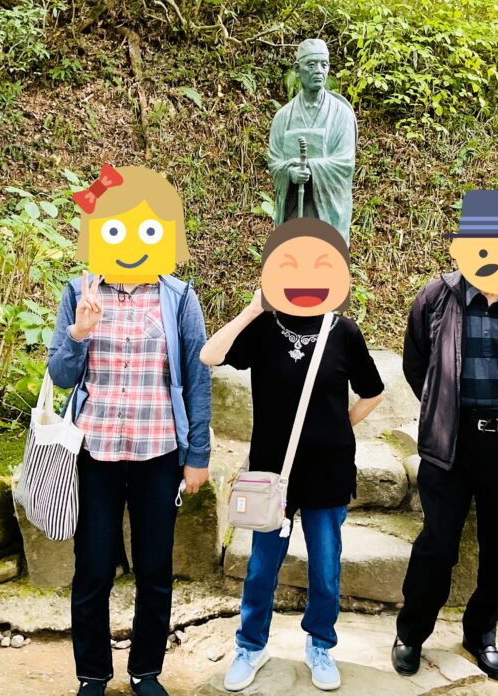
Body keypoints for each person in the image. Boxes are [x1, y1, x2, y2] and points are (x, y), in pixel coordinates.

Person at [199, 218, 385, 692]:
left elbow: (373, 392)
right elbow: (209, 356)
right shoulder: (263, 329)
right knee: (262, 566)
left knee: (325, 567)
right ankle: (250, 646)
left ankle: (320, 645)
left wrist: (341, 425)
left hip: (328, 469)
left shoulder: (344, 332)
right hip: (271, 472)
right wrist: (251, 310)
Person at [48, 165, 212, 696]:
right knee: (92, 568)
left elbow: (197, 376)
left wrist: (198, 454)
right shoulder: (78, 290)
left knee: (155, 569)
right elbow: (61, 375)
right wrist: (79, 331)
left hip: (158, 451)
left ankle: (146, 671)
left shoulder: (178, 297)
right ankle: (92, 674)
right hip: (94, 451)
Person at [392, 189, 498, 681]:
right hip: (450, 443)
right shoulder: (436, 297)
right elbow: (417, 366)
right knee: (437, 544)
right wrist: (444, 409)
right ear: (464, 248)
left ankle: (482, 633)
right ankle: (411, 633)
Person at [268, 38, 357, 245]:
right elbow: (274, 162)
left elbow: (345, 164)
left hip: (327, 211)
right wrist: (290, 173)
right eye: (311, 64)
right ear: (297, 70)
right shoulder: (283, 117)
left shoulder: (341, 114)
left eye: (324, 65)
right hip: (294, 211)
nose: (318, 71)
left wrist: (310, 168)